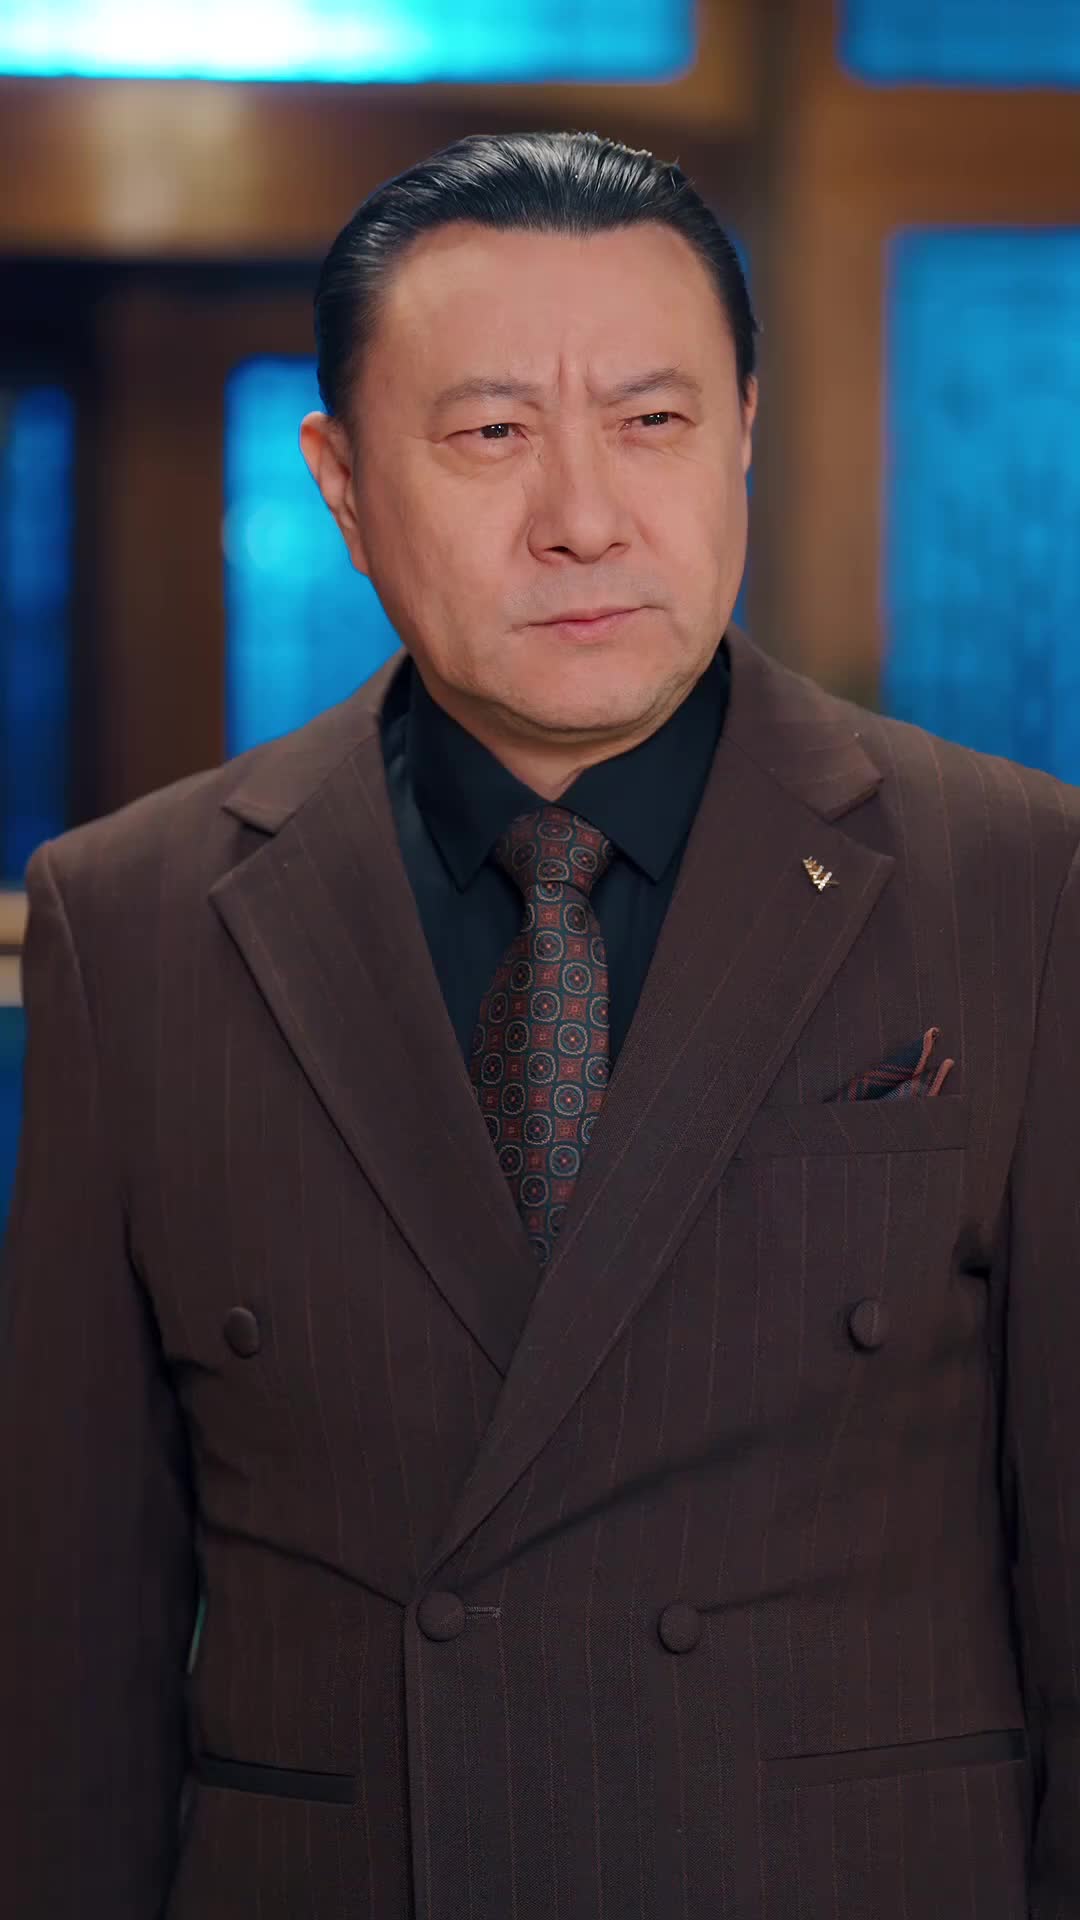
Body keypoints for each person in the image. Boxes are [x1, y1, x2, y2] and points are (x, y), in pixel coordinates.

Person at [1, 128, 1078, 1920]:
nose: (583, 515)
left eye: (652, 421)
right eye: (492, 434)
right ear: (342, 483)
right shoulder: (136, 921)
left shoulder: (1018, 884)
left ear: (744, 432)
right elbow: (66, 1682)